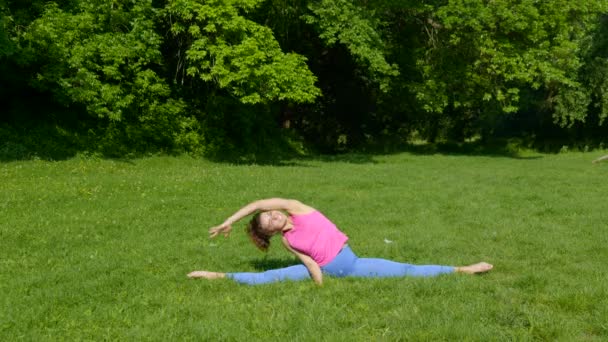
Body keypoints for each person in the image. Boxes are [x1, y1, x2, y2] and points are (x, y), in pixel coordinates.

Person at [188, 198, 493, 285]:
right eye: (267, 223)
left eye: (270, 214)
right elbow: (309, 263)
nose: (270, 217)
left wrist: (229, 220)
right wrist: (320, 286)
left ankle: (463, 270)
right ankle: (217, 275)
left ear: (278, 209)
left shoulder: (299, 208)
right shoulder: (287, 241)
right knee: (271, 277)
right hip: (330, 271)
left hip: (355, 265)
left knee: (406, 269)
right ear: (270, 232)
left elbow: (256, 203)